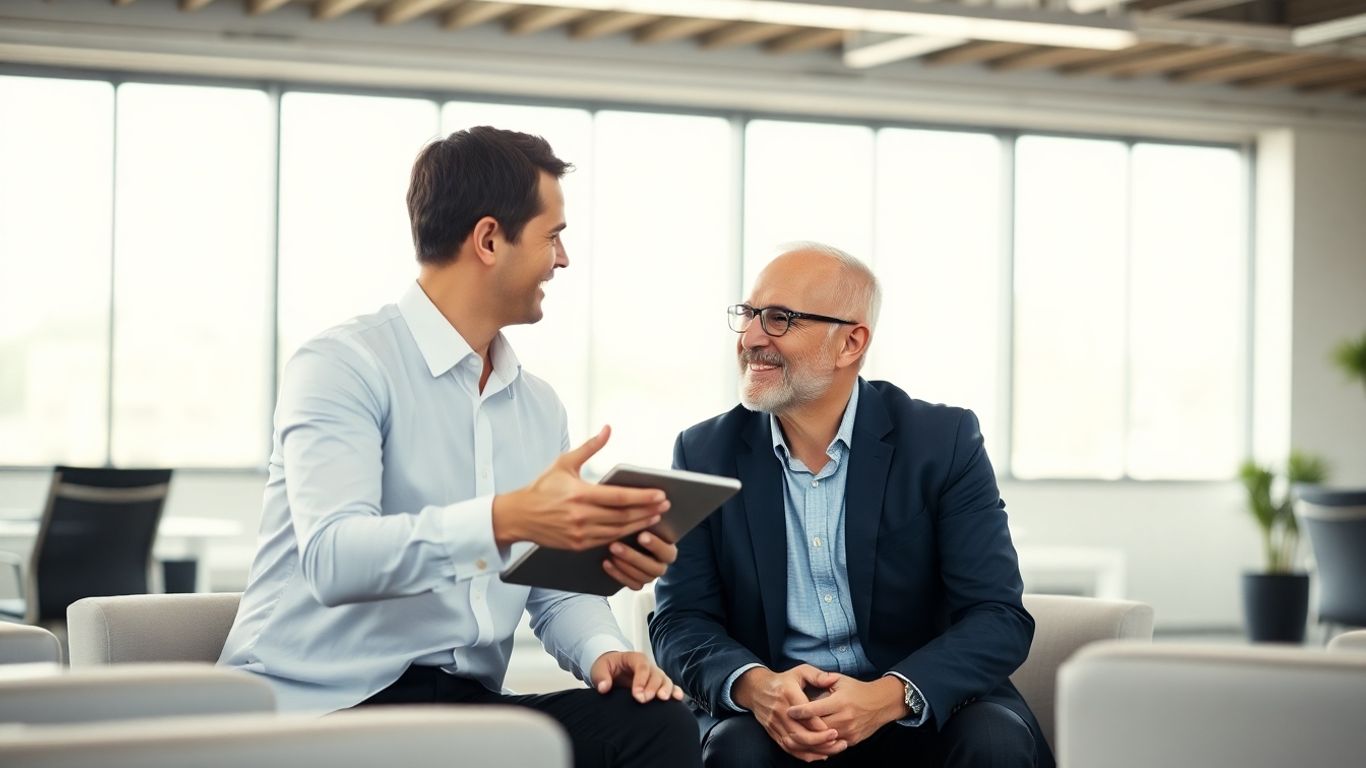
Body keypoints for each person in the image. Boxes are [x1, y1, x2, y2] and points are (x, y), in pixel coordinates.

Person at [219, 126, 700, 768]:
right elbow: (334, 559)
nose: (563, 260)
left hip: (461, 705)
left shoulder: (537, 405)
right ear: (489, 239)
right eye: (552, 235)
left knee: (656, 724)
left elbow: (551, 589)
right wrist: (507, 519)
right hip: (324, 705)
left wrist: (602, 651)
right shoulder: (343, 366)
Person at [650, 243, 1052, 767]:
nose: (751, 339)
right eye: (748, 315)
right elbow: (681, 620)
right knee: (734, 750)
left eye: (779, 319)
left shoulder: (942, 440)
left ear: (851, 342)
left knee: (993, 739)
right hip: (781, 719)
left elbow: (997, 615)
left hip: (918, 707)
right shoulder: (704, 451)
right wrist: (758, 689)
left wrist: (888, 695)